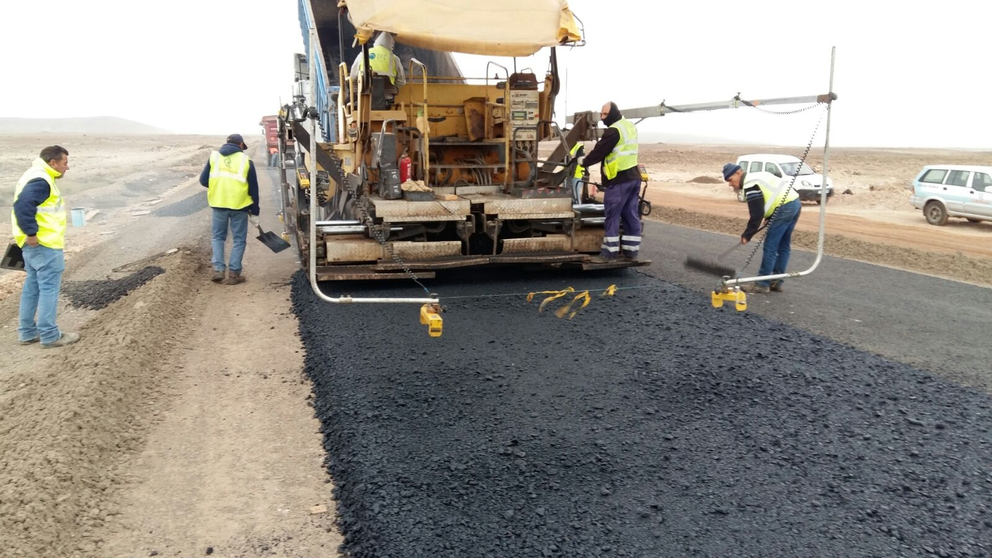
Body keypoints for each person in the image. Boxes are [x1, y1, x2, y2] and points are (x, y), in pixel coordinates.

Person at [12, 145, 80, 348]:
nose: (67, 167)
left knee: (32, 288)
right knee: (48, 288)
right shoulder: (42, 180)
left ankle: (26, 333)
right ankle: (50, 335)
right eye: (65, 163)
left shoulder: (34, 173)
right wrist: (31, 233)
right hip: (44, 244)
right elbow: (23, 205)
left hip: (32, 245)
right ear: (53, 162)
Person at [722, 162, 801, 293]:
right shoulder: (757, 176)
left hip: (784, 207)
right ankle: (776, 281)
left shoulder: (750, 184)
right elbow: (773, 193)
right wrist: (770, 216)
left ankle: (762, 284)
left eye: (730, 180)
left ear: (738, 173)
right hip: (794, 203)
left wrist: (747, 234)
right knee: (783, 246)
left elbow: (756, 214)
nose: (730, 184)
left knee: (770, 246)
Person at [580, 101, 642, 261]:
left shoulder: (614, 131)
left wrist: (583, 161)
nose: (602, 118)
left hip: (619, 180)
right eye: (601, 114)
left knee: (612, 216)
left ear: (613, 113)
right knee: (630, 214)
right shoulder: (629, 126)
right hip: (634, 178)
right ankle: (631, 251)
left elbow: (599, 151)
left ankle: (609, 254)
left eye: (605, 114)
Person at [199, 134, 260, 285]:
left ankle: (219, 270)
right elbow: (253, 189)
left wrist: (218, 186)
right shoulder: (246, 161)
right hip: (240, 206)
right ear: (240, 145)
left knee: (218, 237)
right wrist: (255, 211)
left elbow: (203, 180)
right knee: (239, 239)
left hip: (219, 204)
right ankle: (234, 274)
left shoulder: (214, 157)